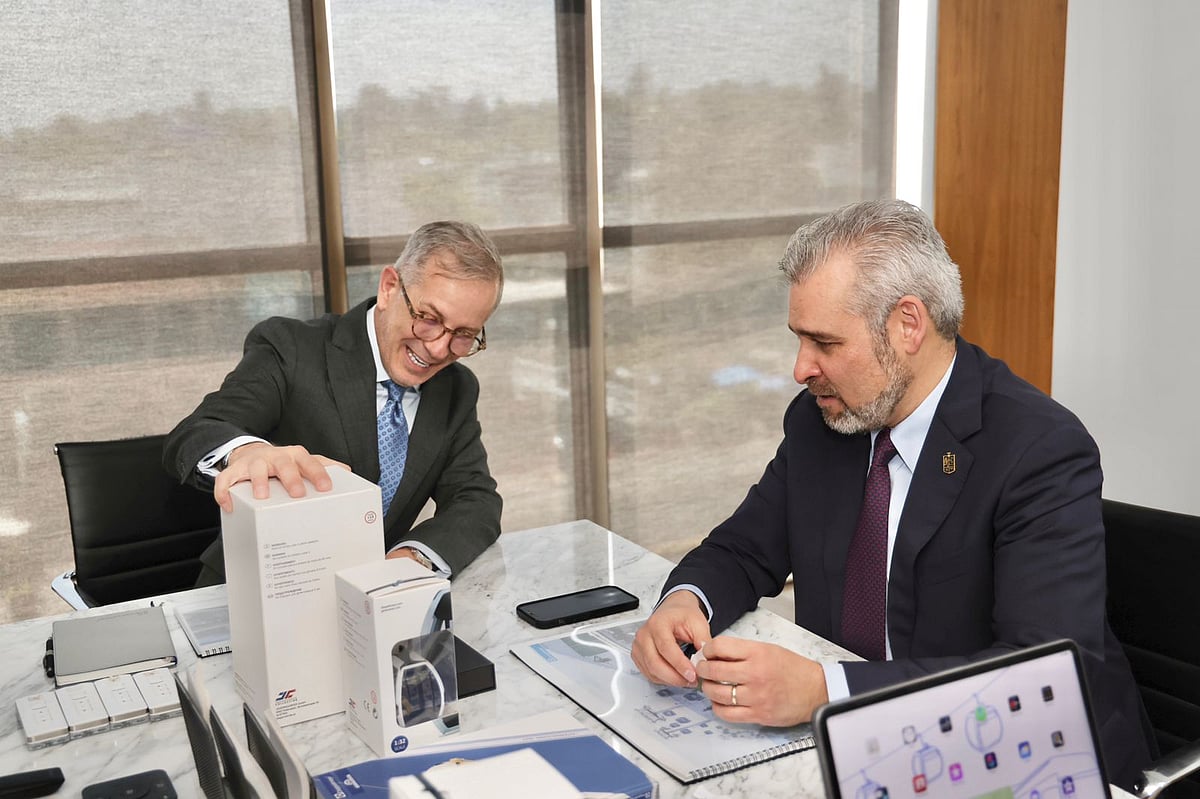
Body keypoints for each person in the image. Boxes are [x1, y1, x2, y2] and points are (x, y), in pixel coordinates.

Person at [630, 199, 1153, 789]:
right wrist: (684, 603)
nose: (801, 368)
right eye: (799, 339)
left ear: (908, 324)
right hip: (857, 757)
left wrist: (824, 689)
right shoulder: (822, 422)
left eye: (825, 344)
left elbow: (1046, 674)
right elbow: (742, 550)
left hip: (1022, 763)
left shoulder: (1039, 449)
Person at [164, 220, 504, 585]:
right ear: (390, 288)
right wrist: (247, 453)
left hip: (371, 601)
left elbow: (475, 499)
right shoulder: (291, 348)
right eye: (429, 318)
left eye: (464, 335)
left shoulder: (456, 388)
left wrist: (412, 558)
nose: (438, 348)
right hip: (253, 593)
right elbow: (195, 432)